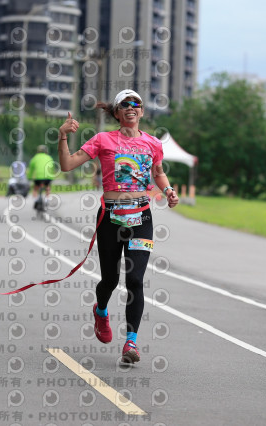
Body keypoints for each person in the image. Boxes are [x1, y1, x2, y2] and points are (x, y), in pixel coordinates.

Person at [57, 89, 179, 364]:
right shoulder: (102, 140)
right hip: (111, 217)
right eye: (125, 104)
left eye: (136, 103)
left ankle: (131, 343)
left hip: (141, 218)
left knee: (135, 279)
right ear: (117, 113)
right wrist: (63, 135)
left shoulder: (152, 143)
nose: (131, 107)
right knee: (110, 280)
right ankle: (100, 310)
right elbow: (66, 165)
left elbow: (158, 173)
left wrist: (169, 190)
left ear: (142, 111)